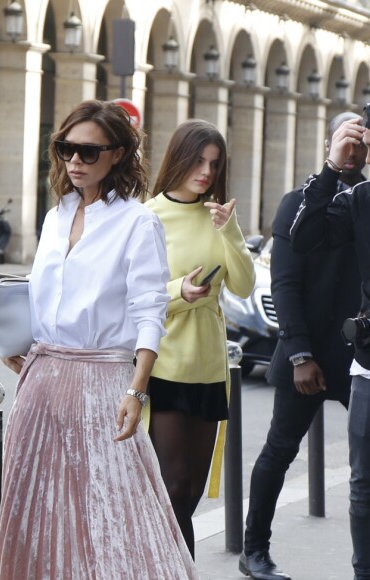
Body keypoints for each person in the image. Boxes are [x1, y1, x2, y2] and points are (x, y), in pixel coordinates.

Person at [0, 100, 198, 579]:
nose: (75, 161)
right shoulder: (55, 217)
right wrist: (16, 339)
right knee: (36, 514)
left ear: (119, 154)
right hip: (41, 383)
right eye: (66, 149)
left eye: (88, 151)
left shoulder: (137, 222)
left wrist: (137, 388)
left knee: (117, 522)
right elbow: (43, 291)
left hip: (104, 384)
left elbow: (150, 310)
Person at [239, 112, 366, 580]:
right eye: (344, 139)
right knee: (278, 450)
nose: (353, 150)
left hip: (361, 357)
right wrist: (299, 354)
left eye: (361, 140)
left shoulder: (366, 201)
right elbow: (285, 285)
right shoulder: (299, 202)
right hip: (308, 354)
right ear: (329, 143)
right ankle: (254, 550)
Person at [145, 119, 256, 559]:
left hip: (209, 369)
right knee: (170, 490)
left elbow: (244, 286)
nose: (206, 171)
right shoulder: (149, 215)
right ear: (178, 158)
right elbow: (132, 297)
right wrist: (179, 293)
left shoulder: (219, 216)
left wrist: (229, 230)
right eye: (198, 160)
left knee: (189, 491)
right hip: (165, 364)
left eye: (214, 163)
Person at [291, 114, 370, 580]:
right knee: (362, 488)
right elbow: (305, 237)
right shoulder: (360, 198)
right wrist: (330, 169)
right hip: (369, 368)